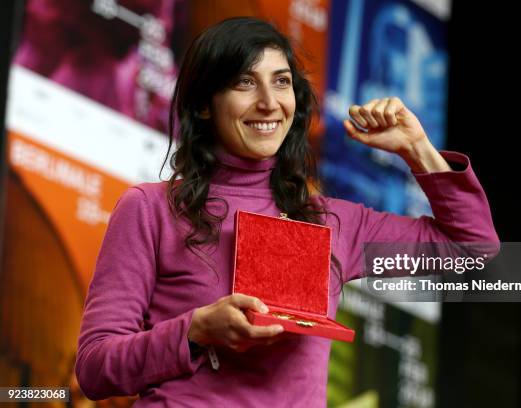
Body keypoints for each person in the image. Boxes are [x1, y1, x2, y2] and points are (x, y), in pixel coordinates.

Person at [75, 17, 499, 407]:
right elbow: (95, 369)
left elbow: (472, 246)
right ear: (204, 104)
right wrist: (196, 330)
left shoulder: (332, 223)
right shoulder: (150, 210)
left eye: (281, 82)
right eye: (244, 83)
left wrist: (416, 149)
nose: (268, 103)